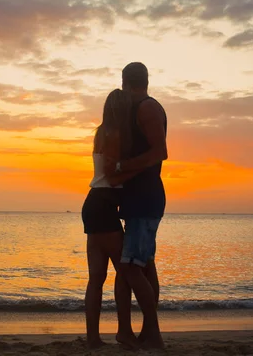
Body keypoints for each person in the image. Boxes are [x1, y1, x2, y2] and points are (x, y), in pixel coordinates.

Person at [107, 62, 168, 349]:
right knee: (143, 266)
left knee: (131, 267)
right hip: (138, 199)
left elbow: (160, 152)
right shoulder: (139, 110)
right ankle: (138, 331)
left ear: (125, 83)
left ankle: (153, 332)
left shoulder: (146, 108)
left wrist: (122, 167)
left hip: (145, 198)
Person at [81, 88, 141, 349]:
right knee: (126, 272)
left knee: (96, 278)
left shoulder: (101, 131)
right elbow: (112, 174)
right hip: (103, 204)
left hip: (94, 202)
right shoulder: (115, 133)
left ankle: (93, 338)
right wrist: (140, 168)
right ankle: (124, 332)